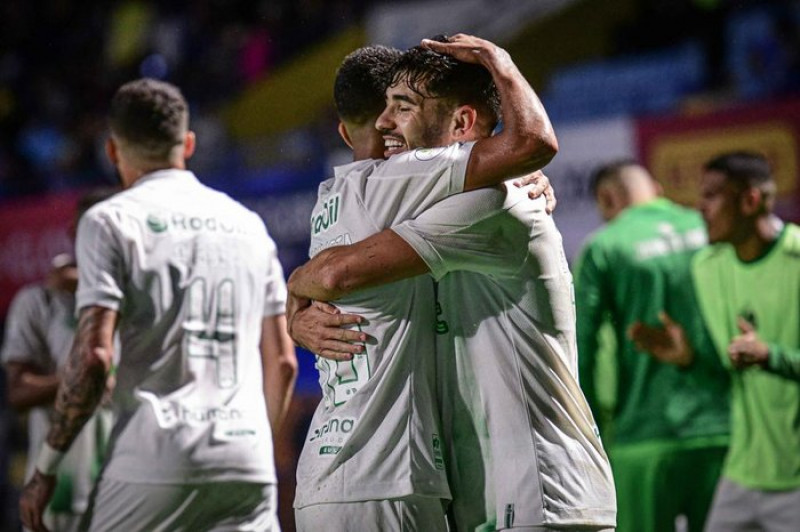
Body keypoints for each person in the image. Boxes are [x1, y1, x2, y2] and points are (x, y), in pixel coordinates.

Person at [288, 35, 616, 531]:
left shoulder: (493, 203)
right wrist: (298, 316)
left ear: (462, 124)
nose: (385, 123)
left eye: (402, 107)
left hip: (541, 490)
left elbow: (338, 272)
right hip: (487, 495)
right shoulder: (434, 204)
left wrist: (297, 285)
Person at [19, 78, 297, 532]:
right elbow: (283, 362)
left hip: (152, 461)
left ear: (112, 151)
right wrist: (252, 443)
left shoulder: (109, 221)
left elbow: (94, 358)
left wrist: (47, 465)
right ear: (188, 144)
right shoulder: (250, 225)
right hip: (247, 459)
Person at [630, 151, 800, 532]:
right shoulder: (707, 267)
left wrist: (771, 356)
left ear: (750, 200)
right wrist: (690, 359)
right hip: (740, 475)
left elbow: (763, 358)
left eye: (711, 195)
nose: (700, 208)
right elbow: (730, 374)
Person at [572, 161, 730, 532]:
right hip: (726, 429)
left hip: (644, 436)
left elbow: (580, 347)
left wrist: (588, 439)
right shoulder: (712, 229)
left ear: (607, 199)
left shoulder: (604, 246)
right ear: (657, 190)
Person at [2, 188, 118, 532]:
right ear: (73, 232)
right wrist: (81, 377)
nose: (103, 241)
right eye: (93, 230)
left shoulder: (143, 302)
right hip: (62, 492)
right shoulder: (40, 301)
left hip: (134, 486)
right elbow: (18, 393)